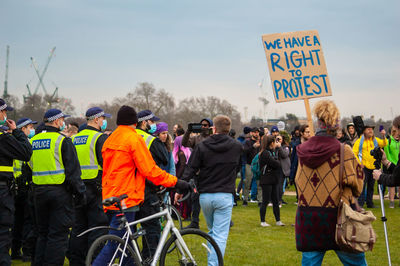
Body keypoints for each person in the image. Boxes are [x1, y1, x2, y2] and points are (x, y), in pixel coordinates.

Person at [95, 105, 188, 265]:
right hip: (126, 198)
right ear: (135, 122)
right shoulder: (134, 138)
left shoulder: (110, 138)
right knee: (115, 245)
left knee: (128, 250)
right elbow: (150, 170)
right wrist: (176, 182)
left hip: (110, 196)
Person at [295, 100, 366, 265]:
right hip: (338, 217)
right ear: (336, 126)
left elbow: (298, 182)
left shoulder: (302, 151)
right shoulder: (344, 151)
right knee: (356, 262)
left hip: (308, 218)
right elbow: (358, 184)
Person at [176, 115, 242, 266]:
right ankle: (213, 264)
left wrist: (180, 188)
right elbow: (237, 166)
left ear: (214, 128)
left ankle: (212, 261)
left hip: (206, 195)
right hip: (224, 195)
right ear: (228, 129)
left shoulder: (203, 145)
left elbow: (190, 169)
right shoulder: (236, 146)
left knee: (213, 233)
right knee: (219, 235)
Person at [27, 108, 86, 266]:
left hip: (38, 192)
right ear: (55, 121)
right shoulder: (62, 140)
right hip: (59, 192)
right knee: (58, 235)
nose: (63, 123)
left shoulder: (33, 141)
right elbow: (73, 171)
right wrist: (80, 193)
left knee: (43, 234)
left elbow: (28, 167)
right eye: (61, 120)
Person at [68, 107, 110, 266]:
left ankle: (76, 261)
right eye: (103, 118)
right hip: (96, 188)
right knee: (97, 228)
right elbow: (106, 163)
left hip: (78, 188)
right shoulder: (99, 138)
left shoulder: (74, 138)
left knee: (79, 228)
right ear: (96, 119)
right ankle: (95, 261)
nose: (103, 121)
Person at [0, 99, 33, 266]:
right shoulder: (3, 138)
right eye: (4, 112)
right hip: (2, 190)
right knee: (3, 234)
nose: (5, 115)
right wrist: (17, 132)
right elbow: (26, 153)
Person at [135, 110, 170, 260]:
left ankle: (132, 259)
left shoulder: (129, 136)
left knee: (130, 229)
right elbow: (165, 158)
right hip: (148, 190)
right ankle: (150, 259)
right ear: (144, 123)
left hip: (129, 190)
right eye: (152, 122)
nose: (154, 125)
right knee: (152, 227)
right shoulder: (150, 140)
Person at [11, 118, 38, 262]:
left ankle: (15, 251)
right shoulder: (24, 144)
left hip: (15, 185)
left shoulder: (14, 142)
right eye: (30, 127)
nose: (32, 129)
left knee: (17, 221)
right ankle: (26, 251)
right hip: (23, 186)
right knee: (27, 221)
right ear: (23, 129)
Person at [182, 118, 213, 229]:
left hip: (210, 174)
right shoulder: (196, 138)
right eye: (202, 125)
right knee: (195, 198)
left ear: (210, 127)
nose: (203, 127)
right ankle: (195, 222)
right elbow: (184, 143)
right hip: (198, 174)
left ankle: (226, 221)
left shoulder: (213, 139)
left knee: (213, 198)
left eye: (206, 125)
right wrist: (188, 131)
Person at [353, 123, 387, 208]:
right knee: (362, 186)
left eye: (371, 129)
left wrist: (383, 136)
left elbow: (384, 143)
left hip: (374, 167)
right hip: (364, 168)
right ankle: (360, 204)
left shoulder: (375, 140)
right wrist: (359, 162)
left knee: (371, 187)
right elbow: (354, 153)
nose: (370, 130)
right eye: (368, 129)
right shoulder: (359, 141)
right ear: (364, 131)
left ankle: (370, 203)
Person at [259, 135, 285, 227]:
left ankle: (278, 220)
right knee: (265, 201)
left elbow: (276, 163)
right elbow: (276, 164)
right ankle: (262, 221)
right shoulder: (265, 153)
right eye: (275, 142)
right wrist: (276, 161)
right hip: (266, 180)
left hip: (273, 179)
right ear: (271, 143)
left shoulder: (272, 152)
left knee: (275, 201)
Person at [289, 125, 311, 203]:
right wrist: (291, 174)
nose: (309, 134)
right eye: (307, 132)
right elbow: (293, 160)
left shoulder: (312, 145)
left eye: (310, 132)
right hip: (297, 168)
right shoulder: (296, 145)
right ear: (302, 133)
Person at [172, 135, 192, 219]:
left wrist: (177, 176)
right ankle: (186, 214)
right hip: (186, 176)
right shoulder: (188, 151)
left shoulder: (180, 153)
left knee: (179, 196)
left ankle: (179, 214)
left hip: (181, 176)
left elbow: (182, 165)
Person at [243, 127, 261, 205]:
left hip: (258, 165)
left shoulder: (261, 142)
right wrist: (253, 147)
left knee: (259, 183)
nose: (256, 133)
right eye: (254, 132)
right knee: (247, 182)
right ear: (251, 133)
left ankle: (260, 201)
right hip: (249, 164)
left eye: (257, 132)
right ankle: (245, 199)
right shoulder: (247, 142)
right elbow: (244, 152)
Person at [383, 124, 400, 208]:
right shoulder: (388, 141)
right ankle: (392, 201)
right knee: (392, 184)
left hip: (399, 164)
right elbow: (387, 153)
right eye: (395, 132)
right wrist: (390, 164)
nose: (397, 134)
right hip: (391, 165)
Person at [276, 134, 290, 205]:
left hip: (282, 169)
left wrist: (279, 147)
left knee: (280, 185)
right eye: (277, 139)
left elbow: (284, 155)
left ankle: (279, 200)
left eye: (279, 139)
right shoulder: (274, 146)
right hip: (275, 167)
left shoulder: (286, 147)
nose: (278, 140)